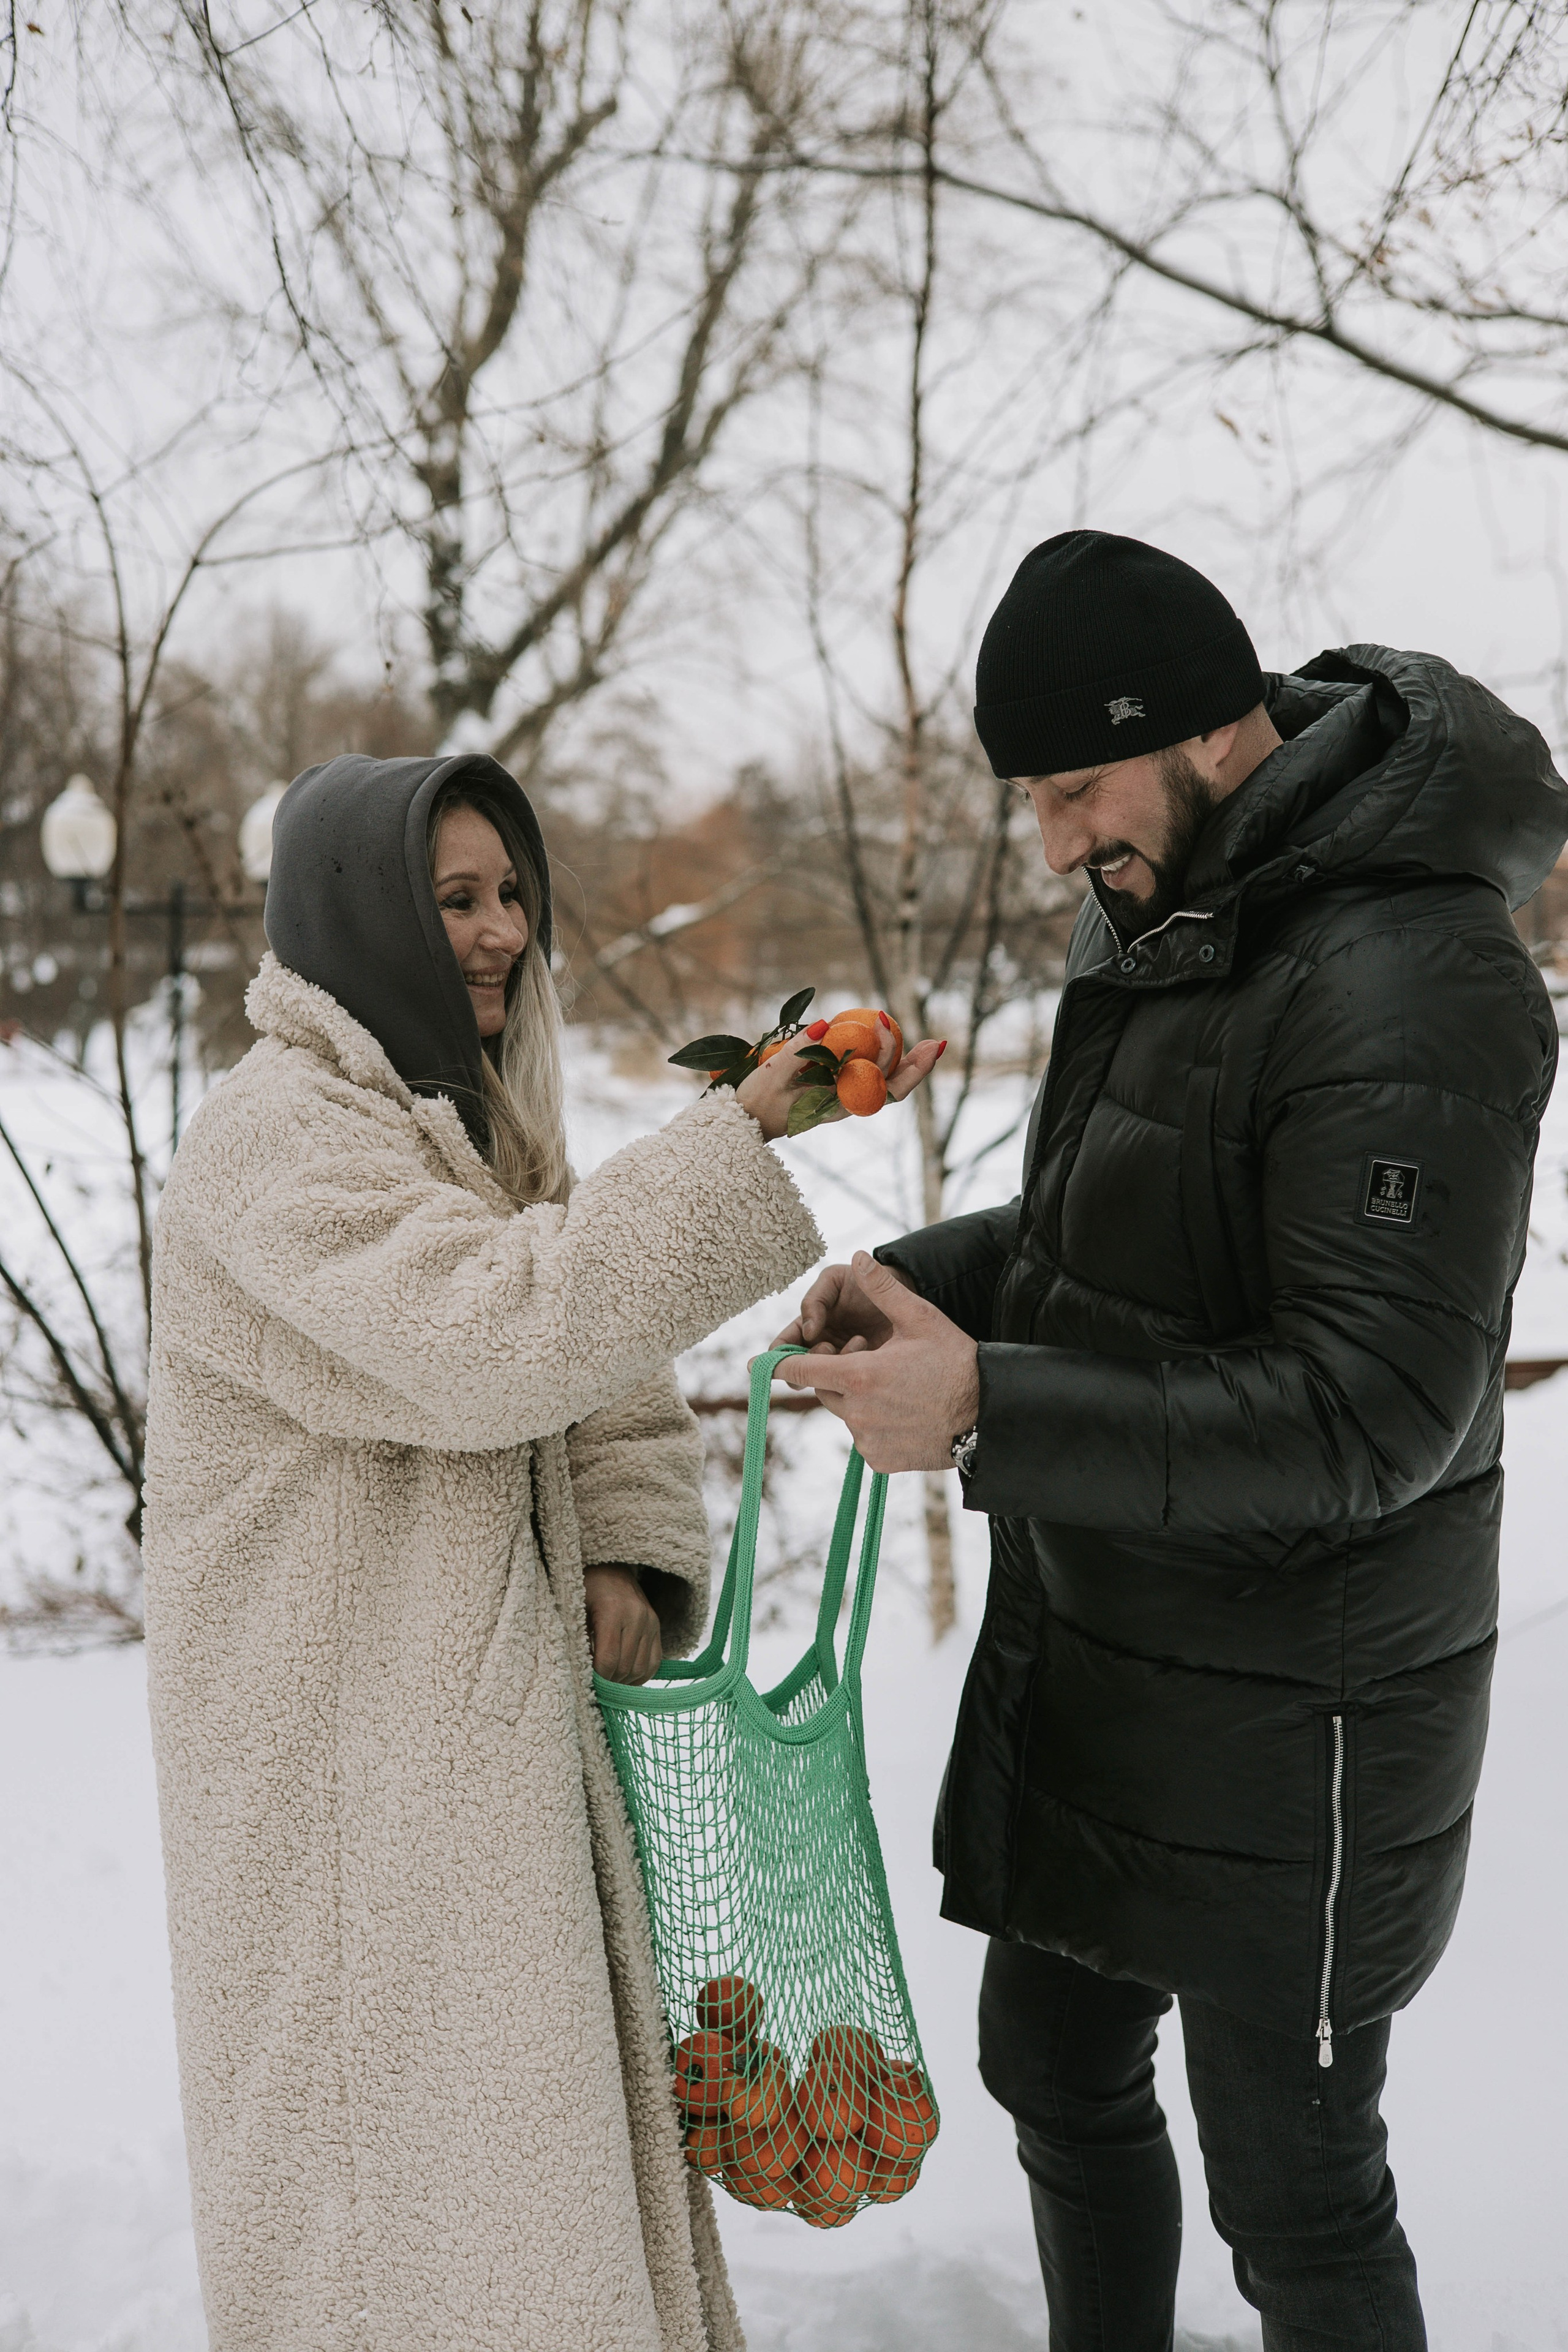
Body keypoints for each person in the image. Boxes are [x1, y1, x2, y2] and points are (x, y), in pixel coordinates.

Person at [774, 531, 1568, 2351]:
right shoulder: (1162, 896)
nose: (1052, 841)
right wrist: (919, 1283)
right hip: (1111, 1647)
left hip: (1301, 1718)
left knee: (1295, 2204)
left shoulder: (1412, 978)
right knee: (1048, 2067)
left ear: (1212, 731)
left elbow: (1371, 1407)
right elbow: (1109, 1233)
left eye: (1075, 789)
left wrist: (984, 1402)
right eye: (1034, 800)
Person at [141, 749, 938, 2352]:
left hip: (467, 1794)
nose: (502, 929)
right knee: (412, 2260)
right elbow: (499, 1335)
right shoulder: (275, 1142)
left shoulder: (457, 1125)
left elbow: (604, 1378)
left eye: (513, 893)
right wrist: (744, 1126)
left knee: (528, 2239)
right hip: (349, 1835)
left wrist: (633, 1562)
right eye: (456, 898)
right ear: (360, 915)